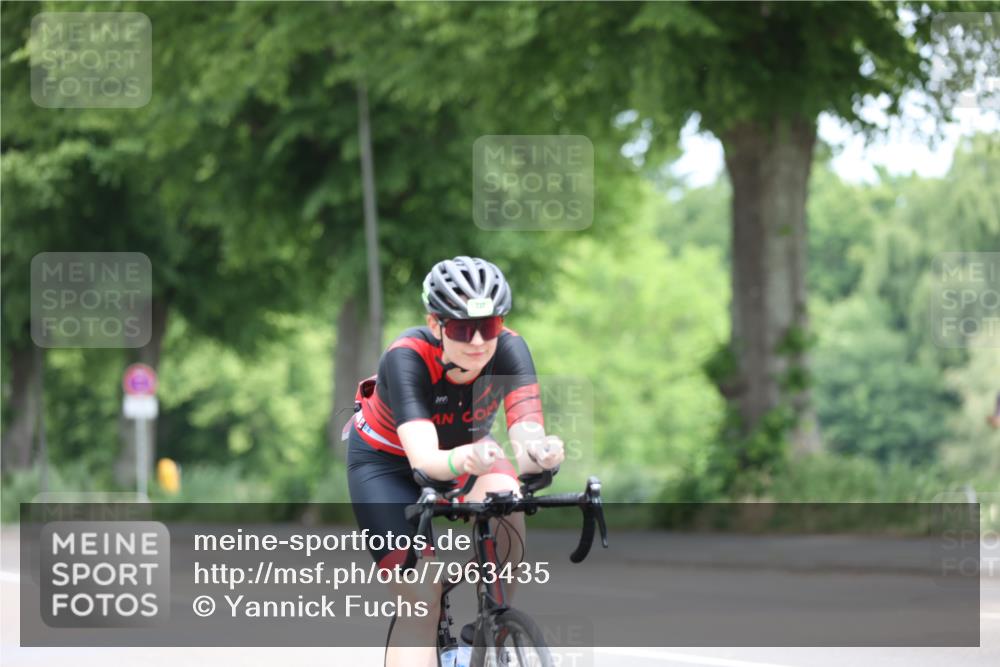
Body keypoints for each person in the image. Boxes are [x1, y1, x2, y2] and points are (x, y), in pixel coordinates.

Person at [345, 256, 565, 667]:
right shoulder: (406, 357)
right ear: (436, 326)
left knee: (509, 498)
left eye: (490, 327)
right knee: (421, 601)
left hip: (468, 452)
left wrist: (542, 453)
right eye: (464, 329)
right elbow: (426, 462)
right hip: (387, 466)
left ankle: (491, 622)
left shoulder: (512, 351)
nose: (479, 341)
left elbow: (527, 437)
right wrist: (468, 459)